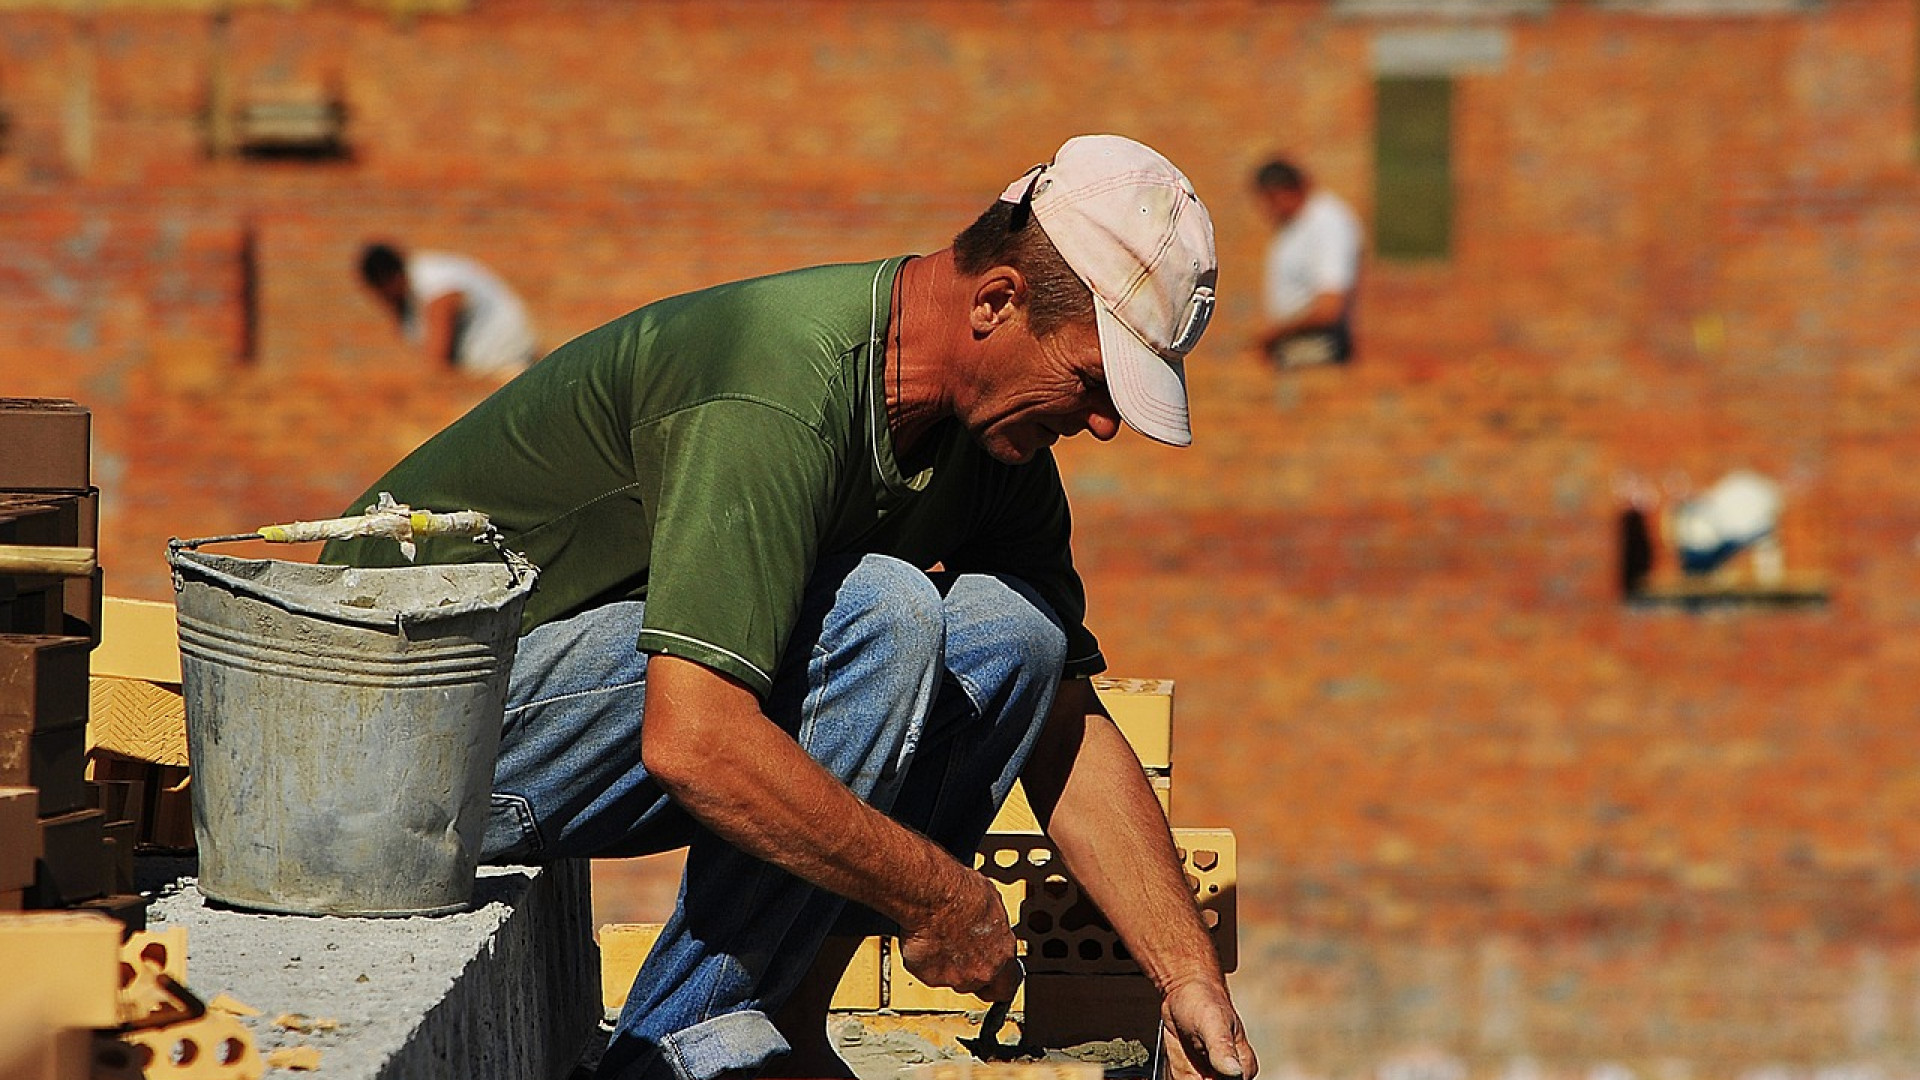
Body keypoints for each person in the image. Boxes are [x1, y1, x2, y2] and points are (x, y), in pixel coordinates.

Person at [323, 135, 1254, 1080]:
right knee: (884, 613)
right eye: (1092, 382)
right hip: (381, 730)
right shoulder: (782, 382)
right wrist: (937, 898)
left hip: (547, 720)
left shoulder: (996, 449)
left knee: (1014, 635)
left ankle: (782, 1025)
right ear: (998, 301)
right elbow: (693, 739)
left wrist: (1187, 979)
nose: (1101, 423)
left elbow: (1061, 718)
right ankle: (681, 1055)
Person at [356, 242, 540, 376]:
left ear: (388, 282)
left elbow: (435, 365)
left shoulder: (435, 285)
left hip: (510, 369)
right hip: (485, 373)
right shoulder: (409, 297)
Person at [1252, 157, 1362, 368]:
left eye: (1270, 200)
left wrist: (1277, 331)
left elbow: (1330, 305)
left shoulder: (1327, 222)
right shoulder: (1294, 226)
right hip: (1293, 344)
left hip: (1318, 348)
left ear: (1285, 191)